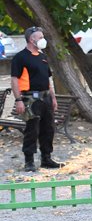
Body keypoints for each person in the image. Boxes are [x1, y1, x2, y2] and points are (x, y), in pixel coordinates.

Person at [11, 26, 61, 172]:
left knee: (49, 128)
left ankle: (46, 158)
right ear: (31, 40)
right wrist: (18, 100)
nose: (42, 40)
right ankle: (29, 161)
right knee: (32, 130)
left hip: (45, 98)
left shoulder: (43, 56)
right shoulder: (20, 57)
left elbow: (48, 80)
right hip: (30, 99)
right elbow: (14, 80)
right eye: (40, 37)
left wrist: (53, 98)